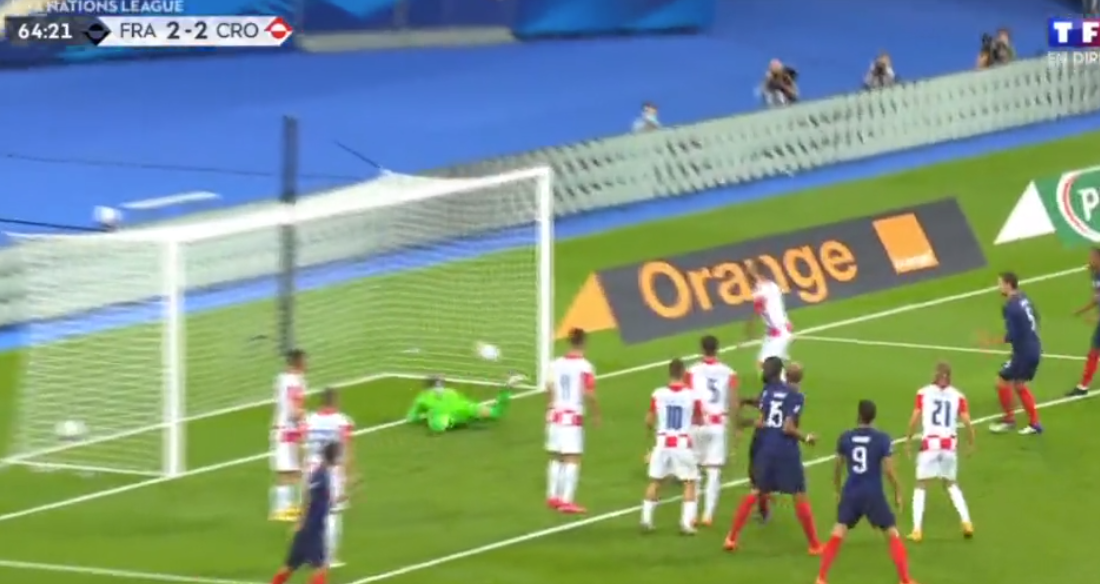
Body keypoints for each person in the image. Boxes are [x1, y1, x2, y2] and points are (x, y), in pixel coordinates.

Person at [723, 358, 821, 553]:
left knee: (755, 491)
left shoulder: (768, 391)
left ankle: (731, 538)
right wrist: (807, 437)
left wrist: (742, 402)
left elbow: (761, 404)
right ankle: (814, 545)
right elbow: (788, 427)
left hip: (766, 447)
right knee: (799, 494)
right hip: (786, 450)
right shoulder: (796, 396)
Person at [815, 400, 916, 584]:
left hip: (851, 491)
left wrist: (837, 489)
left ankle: (821, 577)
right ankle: (905, 579)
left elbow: (838, 466)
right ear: (874, 417)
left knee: (838, 531)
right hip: (872, 493)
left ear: (858, 415)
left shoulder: (845, 437)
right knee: (892, 533)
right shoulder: (882, 439)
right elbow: (888, 470)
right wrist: (898, 491)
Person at [905, 362, 975, 541]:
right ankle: (966, 522)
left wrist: (908, 440)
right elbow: (966, 421)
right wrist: (971, 442)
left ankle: (917, 529)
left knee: (921, 484)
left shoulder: (923, 393)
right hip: (949, 445)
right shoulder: (958, 396)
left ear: (935, 375)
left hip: (930, 445)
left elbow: (915, 417)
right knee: (951, 484)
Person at [641, 358, 705, 533]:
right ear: (683, 373)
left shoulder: (658, 394)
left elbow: (649, 420)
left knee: (656, 481)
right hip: (681, 443)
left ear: (669, 373)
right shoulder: (692, 395)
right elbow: (699, 419)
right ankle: (686, 523)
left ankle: (646, 520)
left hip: (662, 443)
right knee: (689, 482)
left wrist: (651, 438)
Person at [683, 335, 738, 527]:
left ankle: (692, 514)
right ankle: (707, 515)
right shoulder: (729, 372)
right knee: (713, 471)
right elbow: (733, 401)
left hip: (697, 423)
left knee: (694, 469)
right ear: (717, 348)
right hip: (718, 424)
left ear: (701, 349)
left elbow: (686, 398)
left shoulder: (691, 371)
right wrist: (736, 425)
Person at [546, 328, 600, 514]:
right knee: (572, 458)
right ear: (584, 343)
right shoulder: (585, 367)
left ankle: (553, 496)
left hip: (555, 415)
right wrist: (596, 413)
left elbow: (550, 388)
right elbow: (589, 392)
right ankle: (567, 501)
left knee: (556, 456)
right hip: (571, 418)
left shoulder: (555, 364)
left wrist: (549, 409)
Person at [270, 440, 339, 584]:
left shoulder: (322, 473)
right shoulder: (320, 475)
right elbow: (308, 498)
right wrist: (301, 522)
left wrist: (332, 501)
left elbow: (315, 497)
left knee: (289, 566)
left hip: (309, 529)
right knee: (320, 566)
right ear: (334, 457)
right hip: (312, 529)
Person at [303, 388, 357, 568]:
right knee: (332, 513)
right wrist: (349, 474)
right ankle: (327, 557)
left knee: (312, 512)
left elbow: (302, 443)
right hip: (332, 470)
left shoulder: (309, 419)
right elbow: (347, 450)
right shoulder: (342, 421)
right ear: (335, 400)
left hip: (311, 467)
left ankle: (310, 553)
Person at [983, 272, 1043, 435]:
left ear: (1008, 285)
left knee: (1003, 382)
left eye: (1000, 284)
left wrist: (993, 341)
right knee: (1017, 384)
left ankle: (1011, 420)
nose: (998, 287)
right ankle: (1033, 423)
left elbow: (1013, 335)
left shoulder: (1010, 307)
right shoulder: (1024, 298)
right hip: (1034, 347)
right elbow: (1036, 318)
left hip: (1024, 352)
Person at [271, 349, 308, 522]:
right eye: (305, 361)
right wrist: (302, 419)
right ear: (299, 362)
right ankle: (285, 509)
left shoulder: (281, 379)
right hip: (291, 430)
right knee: (294, 469)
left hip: (280, 428)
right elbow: (295, 409)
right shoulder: (297, 382)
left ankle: (284, 508)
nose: (307, 364)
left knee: (286, 469)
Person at [405, 375, 514, 433]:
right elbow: (463, 402)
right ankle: (507, 388)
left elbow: (411, 417)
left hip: (448, 419)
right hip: (465, 411)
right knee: (496, 413)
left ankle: (458, 424)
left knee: (437, 426)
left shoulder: (422, 398)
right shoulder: (451, 391)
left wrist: (425, 416)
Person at [743, 266, 794, 368]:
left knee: (765, 364)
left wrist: (749, 331)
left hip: (778, 332)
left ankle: (791, 374)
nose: (748, 281)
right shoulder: (773, 285)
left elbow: (757, 312)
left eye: (749, 278)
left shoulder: (759, 292)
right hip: (780, 329)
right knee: (770, 363)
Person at [1068, 247, 1100, 396]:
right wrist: (1081, 311)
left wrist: (1096, 318)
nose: (1089, 260)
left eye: (1092, 258)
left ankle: (1083, 386)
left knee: (1094, 350)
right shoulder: (1094, 274)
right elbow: (1097, 298)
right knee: (1094, 351)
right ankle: (1083, 385)